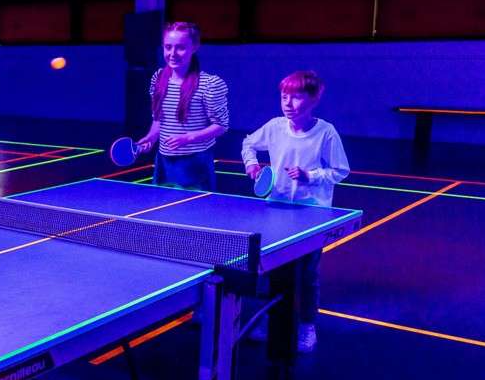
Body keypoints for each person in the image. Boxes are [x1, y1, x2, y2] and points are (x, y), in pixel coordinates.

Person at [241, 70, 350, 352]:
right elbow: (248, 143)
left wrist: (310, 176)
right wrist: (251, 163)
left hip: (312, 214)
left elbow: (340, 170)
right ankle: (270, 321)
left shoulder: (326, 133)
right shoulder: (275, 127)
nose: (288, 103)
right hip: (276, 209)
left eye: (296, 97)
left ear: (313, 99)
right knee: (272, 269)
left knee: (308, 274)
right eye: (283, 97)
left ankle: (307, 326)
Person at [135, 21, 230, 190]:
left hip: (195, 163)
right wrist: (151, 137)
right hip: (164, 162)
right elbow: (158, 118)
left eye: (180, 47)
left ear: (195, 47)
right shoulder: (158, 78)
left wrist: (188, 138)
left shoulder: (210, 84)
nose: (172, 53)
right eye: (168, 47)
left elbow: (221, 126)